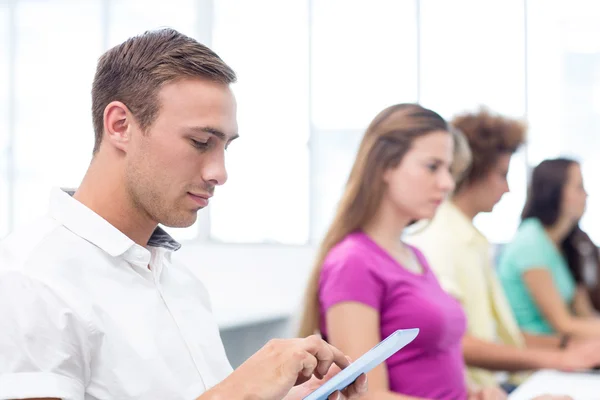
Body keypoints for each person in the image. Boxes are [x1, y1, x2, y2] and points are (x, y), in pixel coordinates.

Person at [0, 29, 367, 400]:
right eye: (200, 143)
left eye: (225, 147)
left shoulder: (180, 283)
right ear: (120, 126)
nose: (219, 173)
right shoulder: (30, 280)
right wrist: (240, 392)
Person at [298, 103, 507, 400]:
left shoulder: (415, 257)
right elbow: (367, 396)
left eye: (448, 169)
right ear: (385, 166)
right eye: (433, 167)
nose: (447, 183)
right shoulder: (353, 263)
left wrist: (476, 393)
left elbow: (433, 372)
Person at [407, 111, 600, 393]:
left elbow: (498, 335)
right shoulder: (439, 239)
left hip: (495, 383)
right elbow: (455, 342)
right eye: (502, 175)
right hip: (483, 387)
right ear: (473, 171)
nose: (508, 188)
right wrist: (560, 355)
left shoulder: (471, 239)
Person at [498, 158, 600, 337]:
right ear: (555, 191)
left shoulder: (563, 243)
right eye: (579, 187)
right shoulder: (531, 241)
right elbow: (564, 325)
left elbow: (584, 313)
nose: (586, 195)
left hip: (564, 349)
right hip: (538, 354)